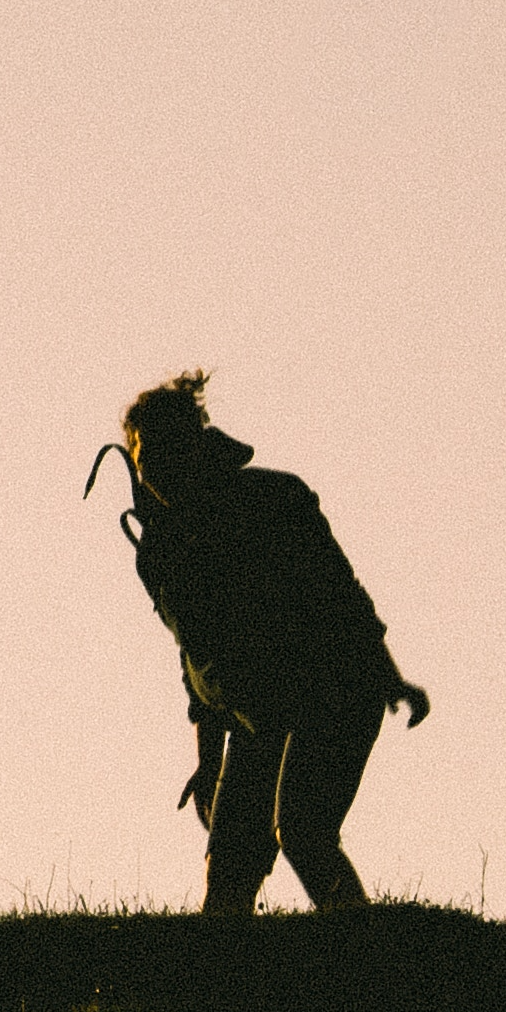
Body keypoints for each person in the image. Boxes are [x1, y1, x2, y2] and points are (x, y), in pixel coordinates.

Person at [100, 373, 429, 916]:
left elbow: (342, 597)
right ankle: (226, 993)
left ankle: (373, 958)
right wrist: (208, 766)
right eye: (144, 458)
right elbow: (198, 663)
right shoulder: (159, 552)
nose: (154, 470)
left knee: (303, 830)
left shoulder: (275, 498)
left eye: (166, 452)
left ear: (197, 446)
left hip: (335, 689)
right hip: (260, 717)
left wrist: (388, 676)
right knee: (228, 869)